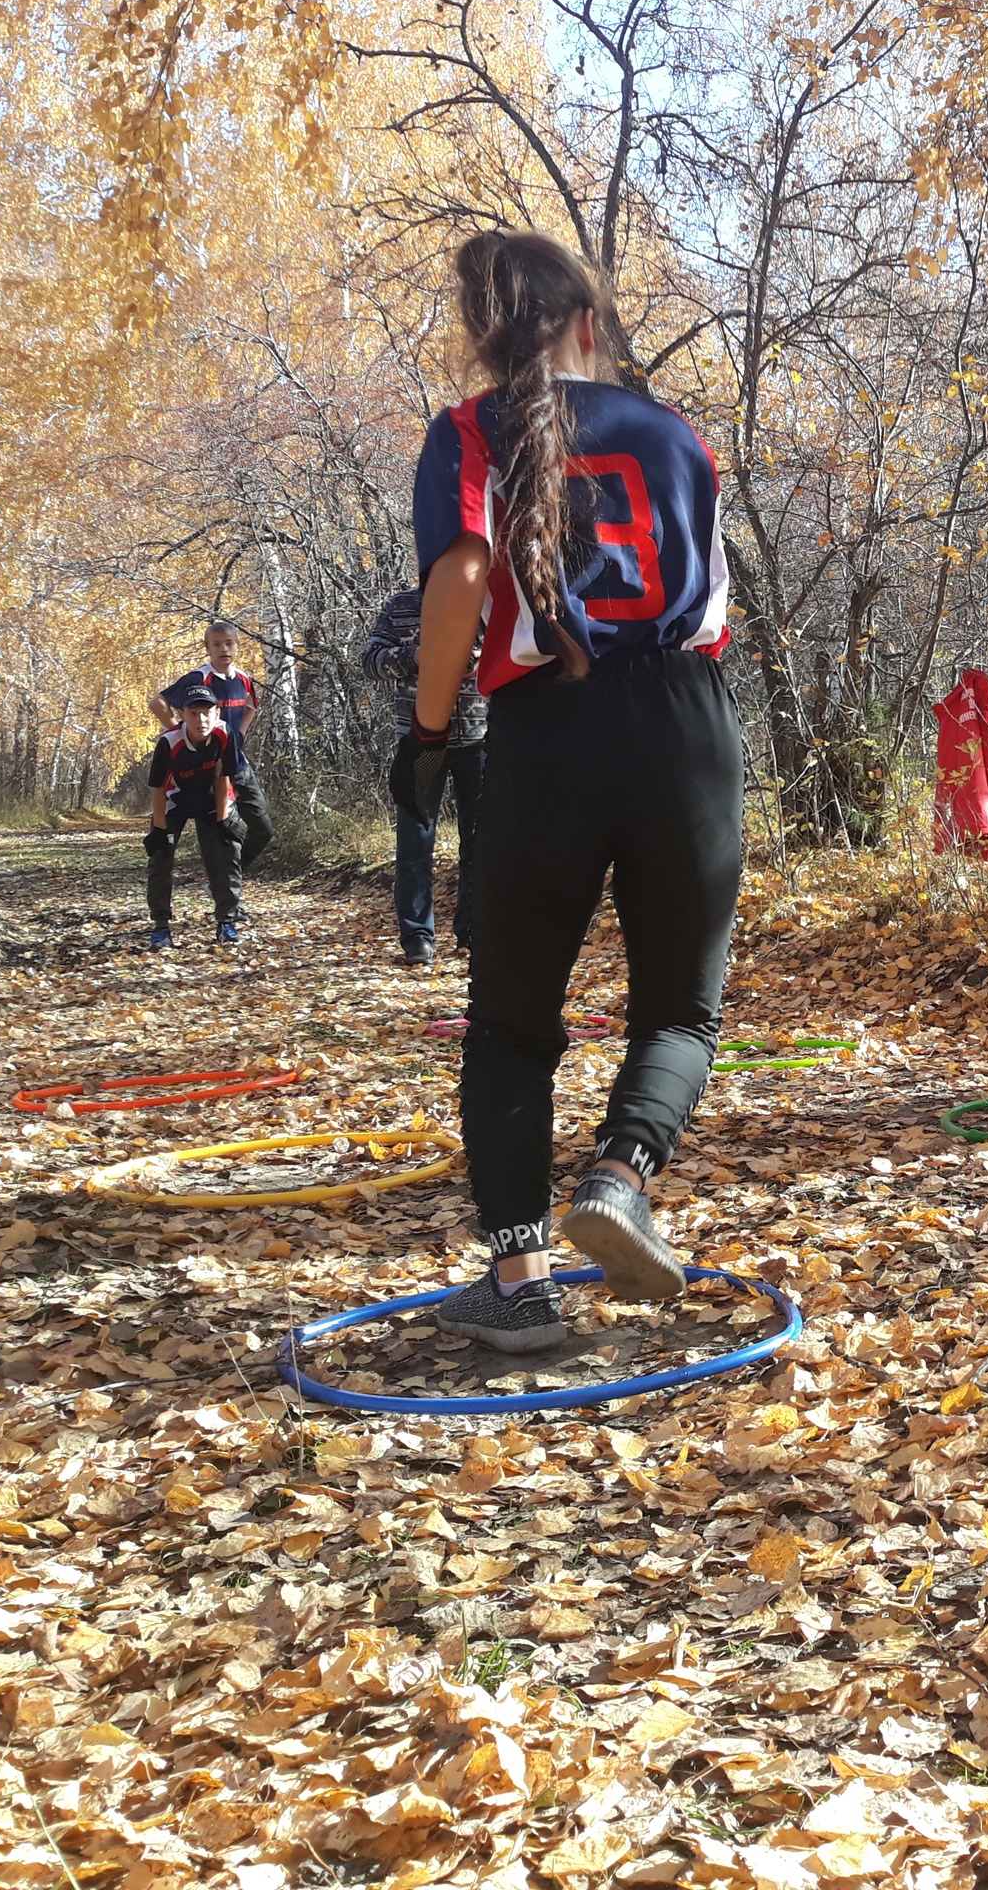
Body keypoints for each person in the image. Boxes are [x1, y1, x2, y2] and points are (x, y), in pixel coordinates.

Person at [397, 228, 736, 1352]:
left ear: (486, 337)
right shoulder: (676, 432)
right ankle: (621, 1178)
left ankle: (520, 1281)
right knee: (679, 1006)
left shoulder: (469, 430)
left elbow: (461, 576)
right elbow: (713, 602)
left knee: (511, 1020)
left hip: (548, 727)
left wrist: (430, 731)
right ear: (587, 323)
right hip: (687, 726)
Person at [361, 586, 485, 964]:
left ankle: (474, 933)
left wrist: (481, 659)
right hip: (420, 742)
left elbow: (520, 654)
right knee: (415, 842)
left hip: (480, 739)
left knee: (481, 841)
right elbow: (370, 660)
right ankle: (417, 939)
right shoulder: (401, 606)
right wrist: (416, 656)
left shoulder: (487, 602)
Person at [148, 622, 274, 867]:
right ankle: (221, 882)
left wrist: (241, 733)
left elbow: (251, 706)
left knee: (263, 828)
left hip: (236, 761)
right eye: (216, 644)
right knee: (215, 827)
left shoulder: (243, 679)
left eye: (228, 643)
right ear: (208, 648)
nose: (223, 649)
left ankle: (234, 870)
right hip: (207, 765)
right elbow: (158, 704)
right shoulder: (200, 678)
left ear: (237, 647)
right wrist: (181, 731)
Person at [143, 684, 249, 950]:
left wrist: (224, 821)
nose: (201, 720)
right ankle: (161, 927)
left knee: (229, 851)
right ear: (181, 715)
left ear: (216, 713)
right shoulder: (169, 742)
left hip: (211, 798)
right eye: (193, 713)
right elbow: (158, 789)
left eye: (206, 713)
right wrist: (159, 831)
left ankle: (227, 923)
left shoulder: (225, 734)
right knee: (160, 858)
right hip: (175, 800)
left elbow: (223, 777)